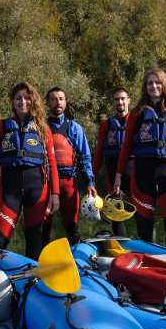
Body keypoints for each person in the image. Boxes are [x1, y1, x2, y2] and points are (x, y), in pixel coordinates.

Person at [113, 68, 166, 248]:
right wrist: (119, 175)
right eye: (150, 83)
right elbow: (126, 146)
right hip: (144, 172)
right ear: (145, 87)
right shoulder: (137, 113)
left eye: (157, 82)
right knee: (144, 224)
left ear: (164, 84)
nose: (154, 86)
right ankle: (147, 263)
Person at [0, 82, 60, 259]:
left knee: (34, 240)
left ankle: (32, 280)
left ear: (33, 101)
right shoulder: (1, 127)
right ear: (12, 101)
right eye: (18, 98)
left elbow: (52, 162)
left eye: (27, 98)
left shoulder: (43, 129)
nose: (23, 102)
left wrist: (55, 193)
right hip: (10, 189)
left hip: (37, 189)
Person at [41, 86, 97, 245]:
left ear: (65, 102)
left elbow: (85, 157)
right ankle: (40, 261)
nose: (57, 102)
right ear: (47, 103)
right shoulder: (40, 127)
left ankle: (76, 260)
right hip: (46, 183)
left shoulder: (75, 128)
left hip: (69, 182)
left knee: (71, 226)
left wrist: (90, 182)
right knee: (44, 227)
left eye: (61, 99)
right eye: (53, 99)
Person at [92, 87, 131, 236]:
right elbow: (99, 153)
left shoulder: (136, 121)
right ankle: (120, 246)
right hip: (112, 173)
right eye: (116, 99)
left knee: (142, 213)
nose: (120, 102)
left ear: (128, 100)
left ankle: (142, 246)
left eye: (122, 99)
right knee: (116, 214)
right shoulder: (106, 125)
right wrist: (92, 177)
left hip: (134, 173)